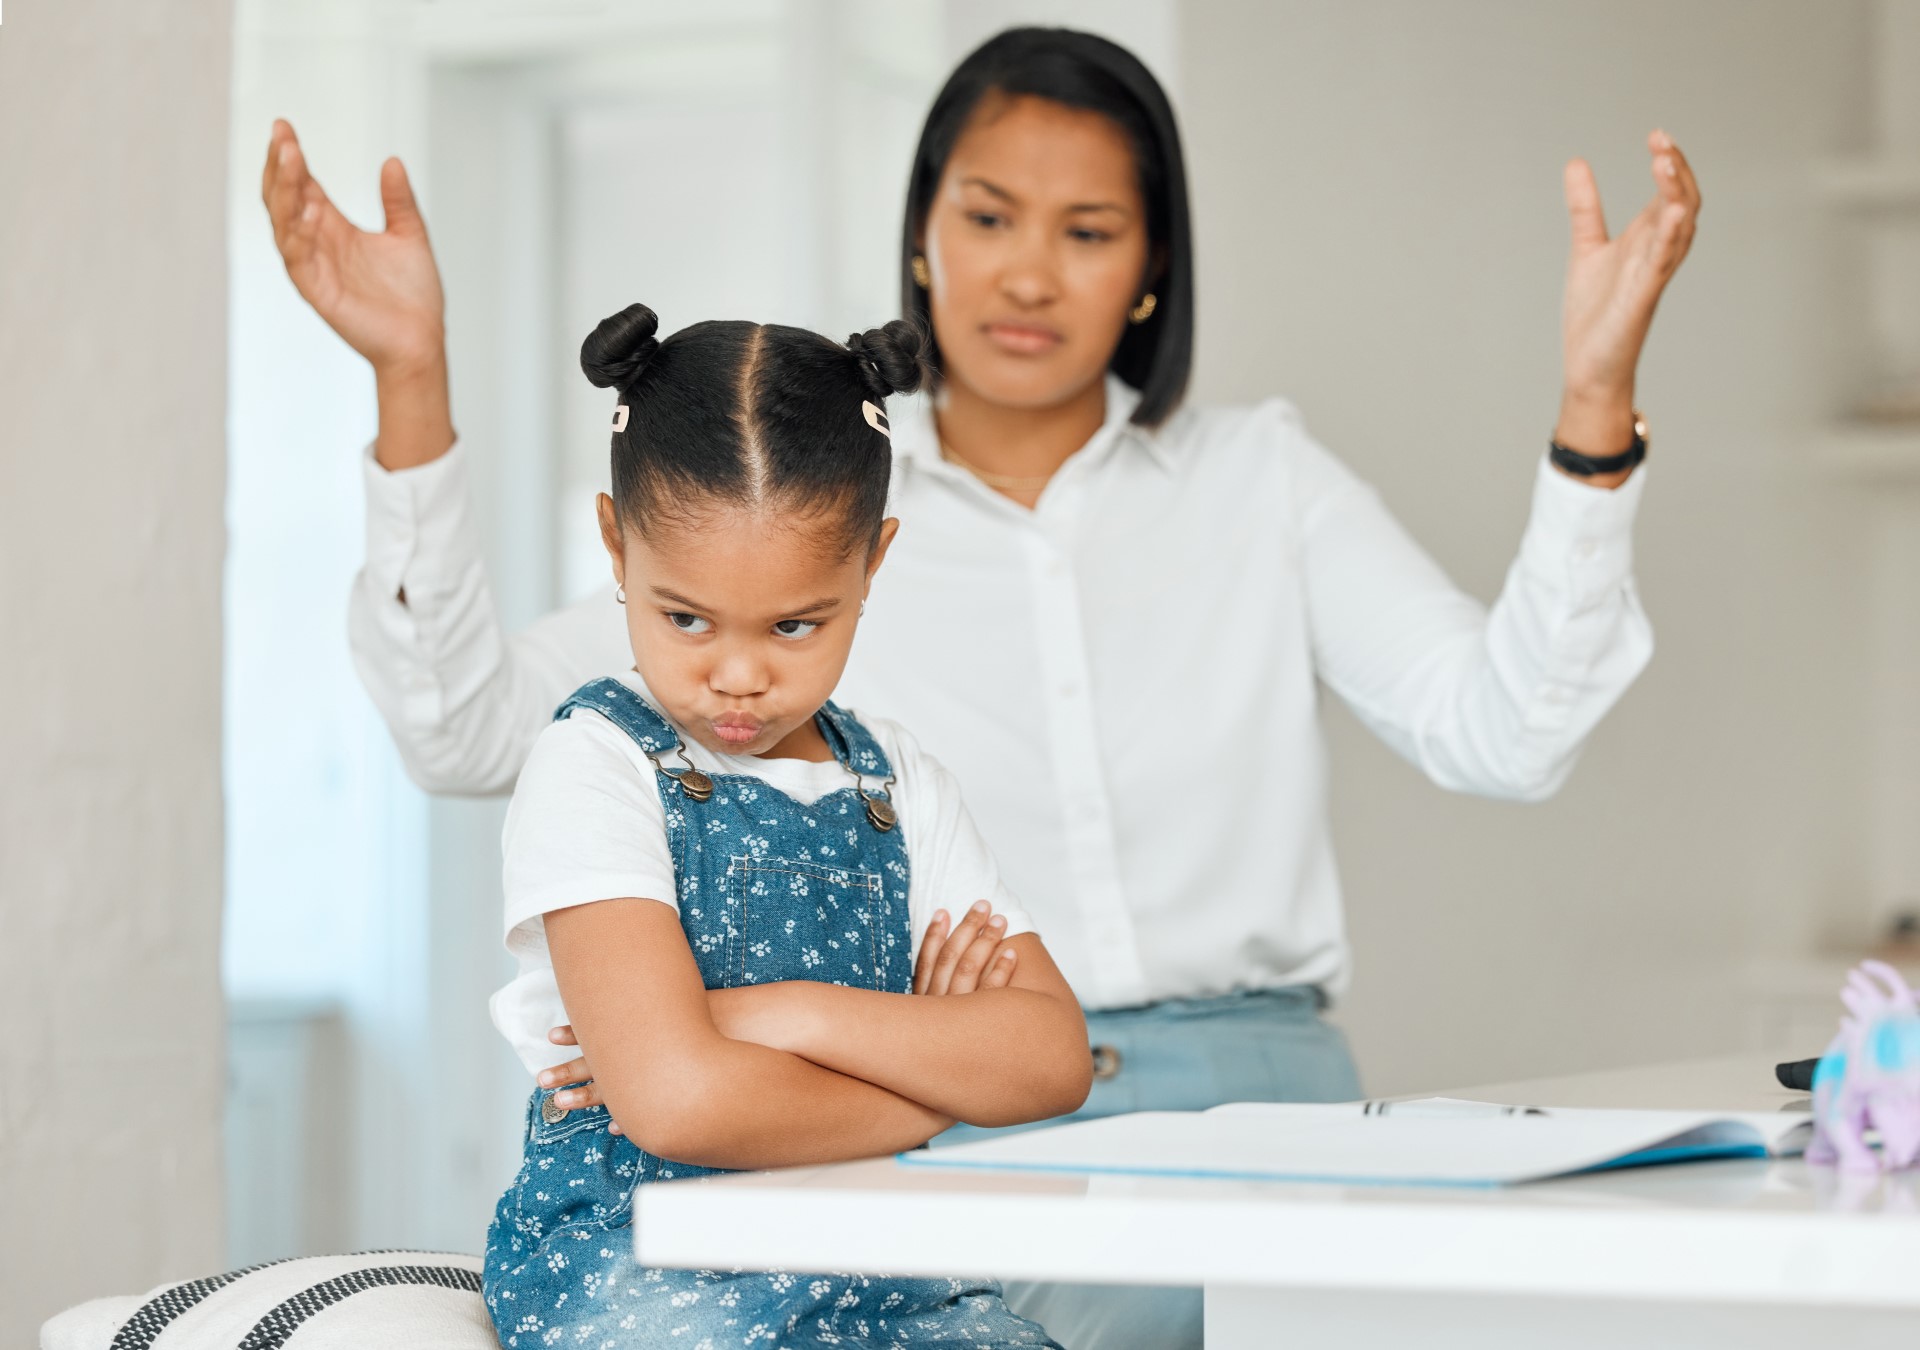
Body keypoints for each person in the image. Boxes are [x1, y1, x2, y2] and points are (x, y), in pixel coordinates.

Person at [261, 27, 1699, 1349]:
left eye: (1088, 232)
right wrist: (411, 391)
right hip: (942, 1126)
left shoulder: (1260, 481)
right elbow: (460, 725)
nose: (1027, 273)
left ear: (1150, 268)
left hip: (1233, 1093)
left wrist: (1591, 413)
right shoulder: (767, 525)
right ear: (923, 238)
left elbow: (1506, 733)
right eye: (988, 216)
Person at [483, 300, 1087, 1348]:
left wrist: (777, 1013)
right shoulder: (594, 766)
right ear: (615, 545)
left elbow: (1047, 1060)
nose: (739, 675)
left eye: (796, 624)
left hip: (885, 1265)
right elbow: (678, 1105)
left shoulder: (899, 783)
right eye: (686, 619)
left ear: (873, 561)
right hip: (641, 1264)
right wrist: (936, 1089)